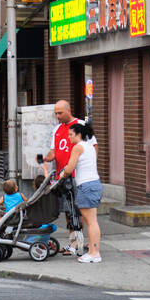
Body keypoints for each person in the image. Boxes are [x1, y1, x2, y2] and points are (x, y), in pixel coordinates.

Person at [57, 119, 103, 263]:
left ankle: (94, 253)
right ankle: (93, 251)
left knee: (91, 221)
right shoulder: (89, 146)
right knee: (92, 221)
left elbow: (69, 168)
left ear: (78, 134)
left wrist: (61, 174)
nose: (69, 137)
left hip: (86, 186)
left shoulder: (78, 147)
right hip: (94, 184)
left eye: (71, 134)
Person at [42, 100, 84, 254]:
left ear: (69, 110)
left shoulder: (81, 125)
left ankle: (77, 244)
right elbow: (54, 151)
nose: (57, 116)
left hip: (77, 175)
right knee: (68, 211)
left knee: (76, 211)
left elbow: (93, 148)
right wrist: (46, 158)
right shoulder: (57, 129)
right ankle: (74, 243)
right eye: (56, 113)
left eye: (60, 113)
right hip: (62, 176)